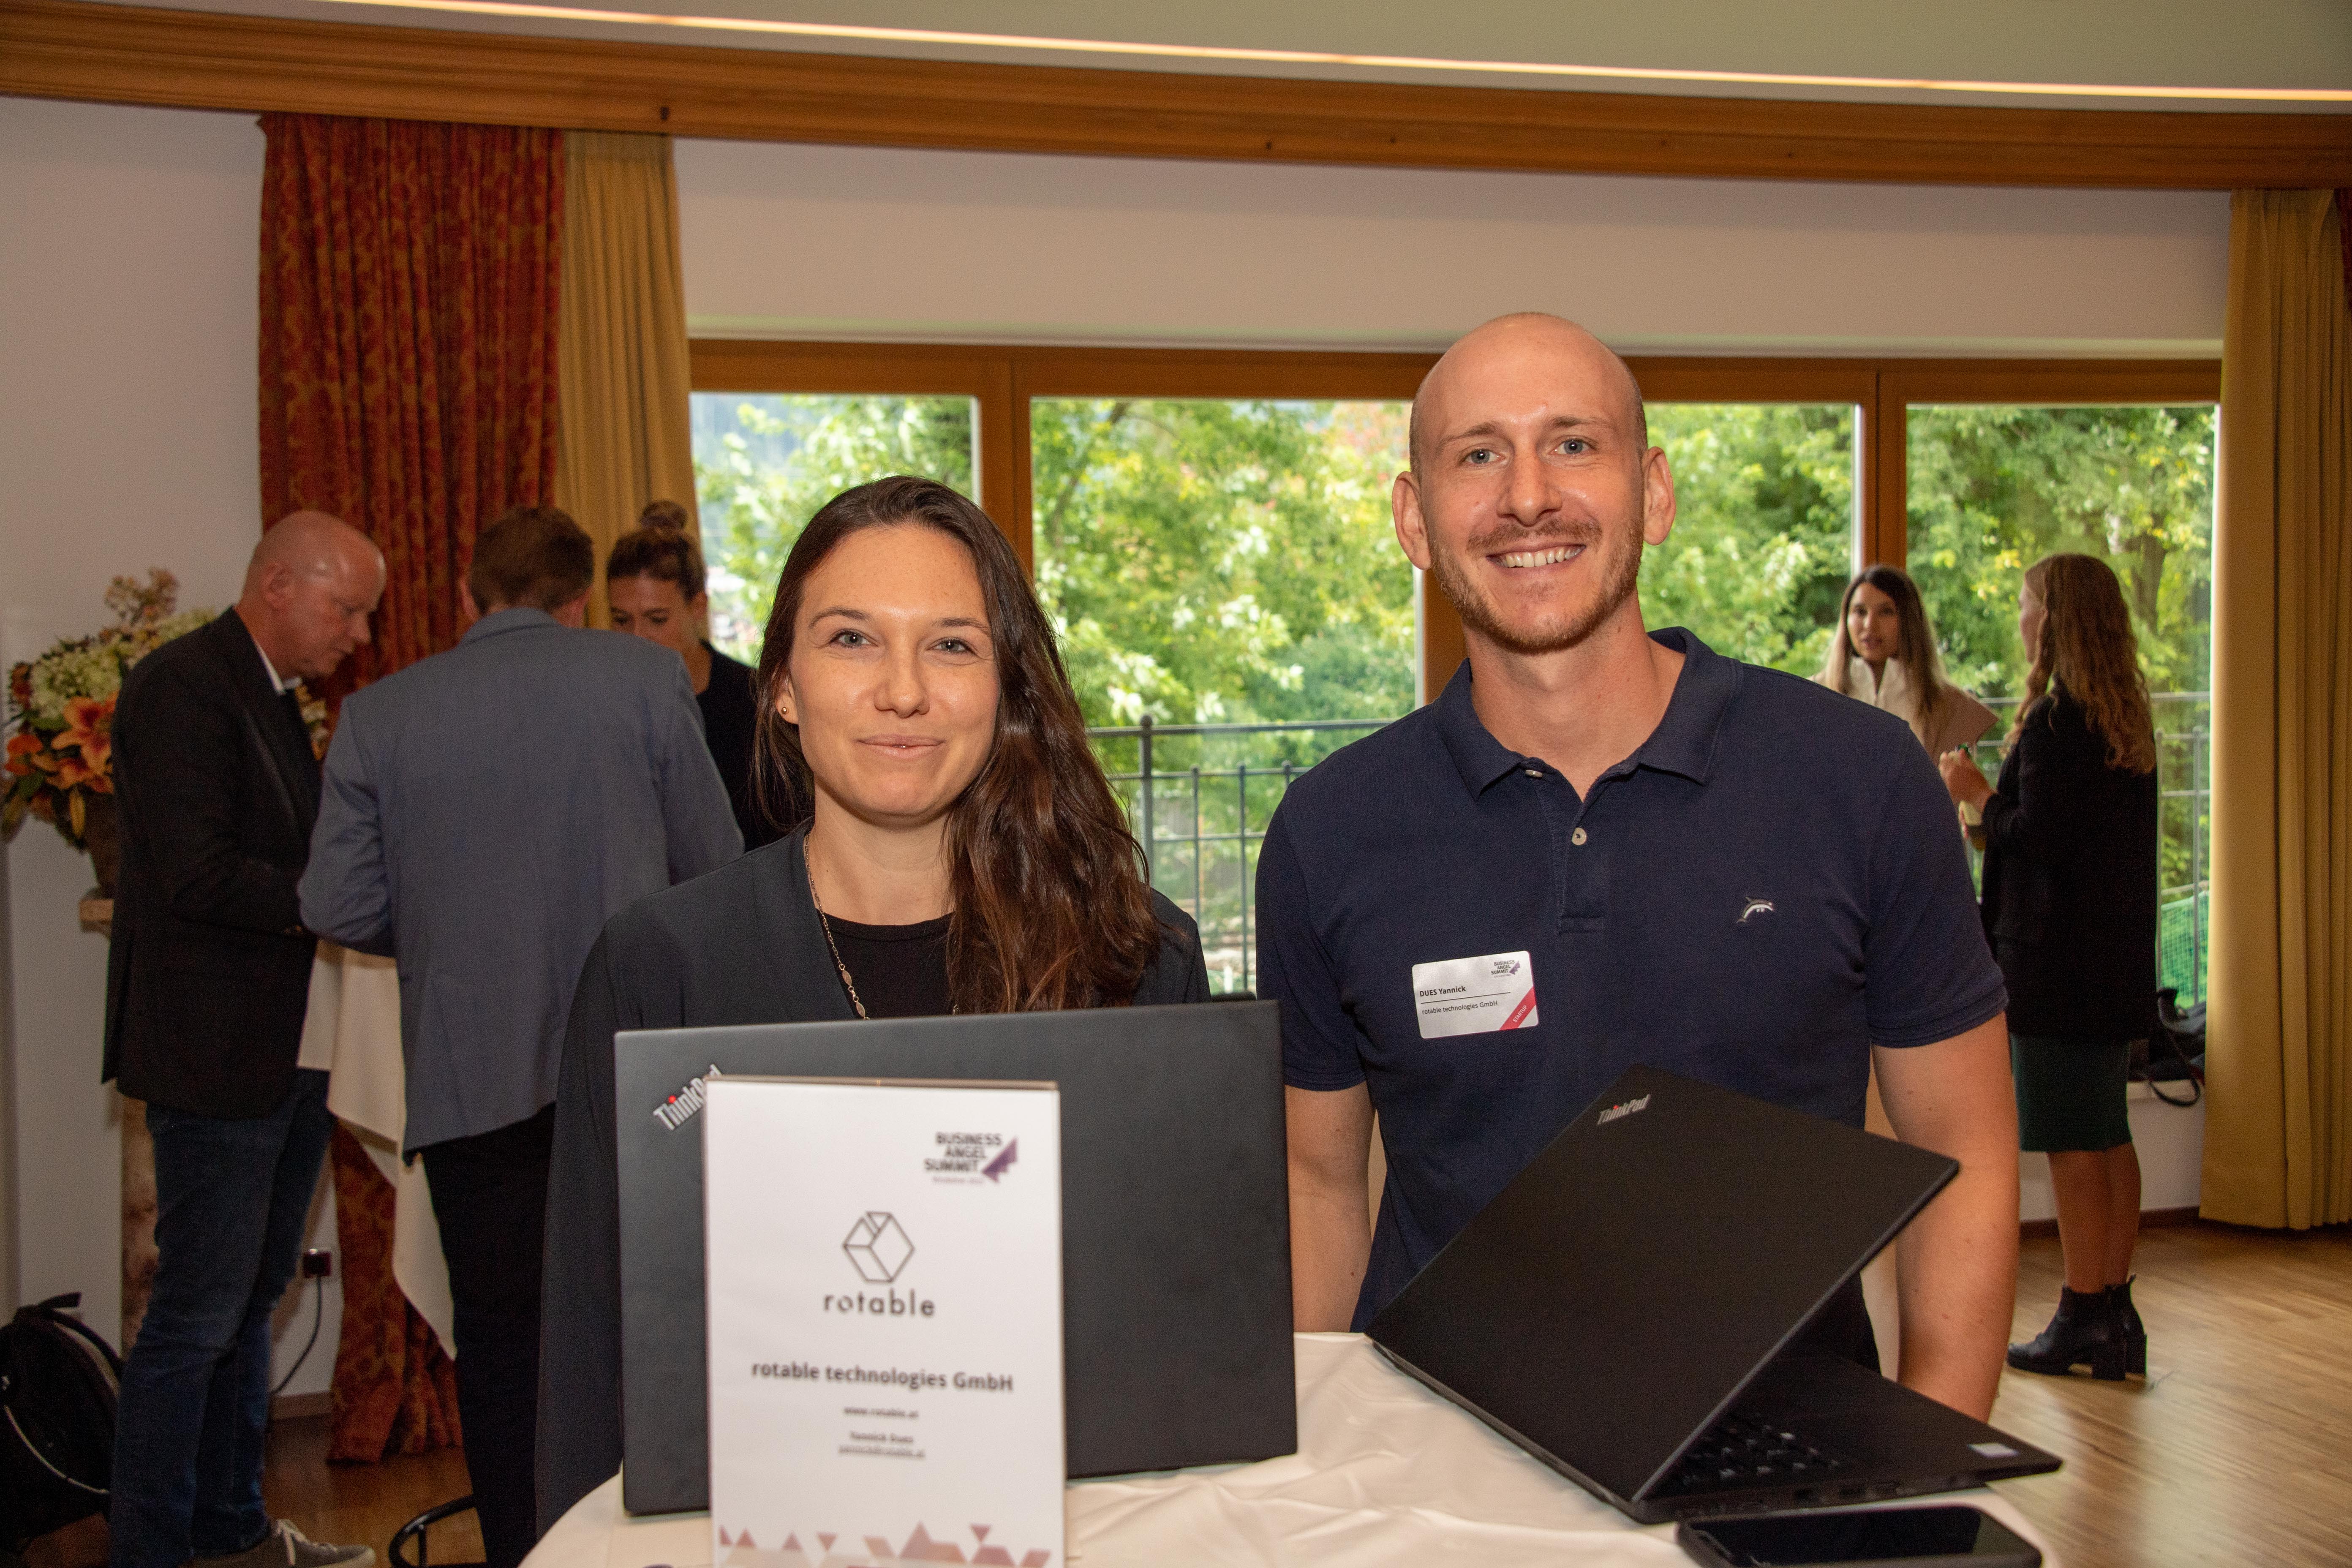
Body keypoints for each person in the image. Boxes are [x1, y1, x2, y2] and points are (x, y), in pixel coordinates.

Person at [1262, 313, 2020, 1422]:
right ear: (1413, 520)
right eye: (1478, 454)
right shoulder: (1331, 829)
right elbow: (1318, 1184)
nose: (1529, 495)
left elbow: (1964, 1147)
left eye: (1574, 444)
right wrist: (1307, 1472)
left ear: (1654, 493)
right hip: (1429, 1463)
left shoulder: (1859, 779)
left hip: (1774, 1451)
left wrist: (1930, 1460)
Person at [534, 476, 1211, 1532]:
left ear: (1006, 688)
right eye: (852, 639)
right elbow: (589, 1345)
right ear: (783, 685)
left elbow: (1184, 1328)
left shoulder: (1134, 954)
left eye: (950, 645)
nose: (904, 691)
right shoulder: (658, 965)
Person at [298, 506, 740, 1568]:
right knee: (648, 1332)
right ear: (578, 598)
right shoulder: (641, 681)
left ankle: (521, 1552)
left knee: (502, 1346)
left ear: (465, 592)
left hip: (470, 1076)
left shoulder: (380, 713)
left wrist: (449, 930)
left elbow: (332, 899)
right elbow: (716, 862)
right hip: (639, 1079)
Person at [103, 511, 384, 1568]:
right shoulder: (182, 687)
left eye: (363, 611)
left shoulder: (271, 699)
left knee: (248, 1304)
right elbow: (193, 871)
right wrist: (344, 904)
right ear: (276, 583)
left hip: (282, 1047)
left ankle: (230, 1531)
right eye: (343, 606)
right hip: (215, 1056)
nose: (357, 630)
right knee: (196, 1316)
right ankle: (152, 1548)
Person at [1939, 554, 2158, 1382]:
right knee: (2108, 1130)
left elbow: (2045, 839)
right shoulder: (2120, 718)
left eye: (2030, 602)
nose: (2023, 615)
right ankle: (2112, 1306)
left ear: (2056, 619)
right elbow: (2072, 842)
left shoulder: (2060, 722)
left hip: (2057, 968)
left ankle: (2079, 1310)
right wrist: (1994, 823)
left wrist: (1973, 788)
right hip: (2110, 962)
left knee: (2071, 1139)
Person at [605, 503, 773, 848]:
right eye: (621, 620)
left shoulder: (756, 702)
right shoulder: (604, 709)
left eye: (656, 619)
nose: (636, 638)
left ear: (697, 608)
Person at [1815, 564, 1995, 758]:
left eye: (1886, 612)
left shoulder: (1952, 707)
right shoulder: (1813, 694)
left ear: (1909, 620)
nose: (1869, 624)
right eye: (1860, 612)